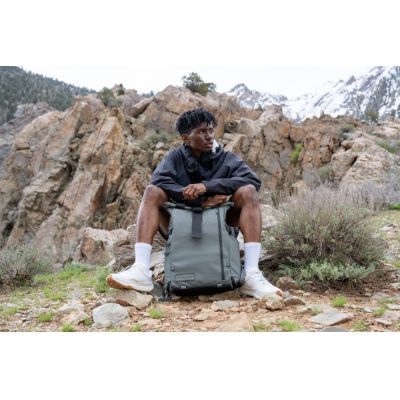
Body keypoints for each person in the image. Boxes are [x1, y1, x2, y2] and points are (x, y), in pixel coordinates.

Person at [106, 108, 282, 299]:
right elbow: (159, 180)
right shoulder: (174, 157)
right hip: (180, 226)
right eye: (202, 132)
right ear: (186, 138)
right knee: (152, 191)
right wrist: (199, 201)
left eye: (211, 130)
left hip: (221, 226)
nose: (209, 136)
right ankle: (140, 270)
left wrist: (206, 187)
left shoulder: (226, 158)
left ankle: (251, 275)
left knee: (248, 191)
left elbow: (252, 180)